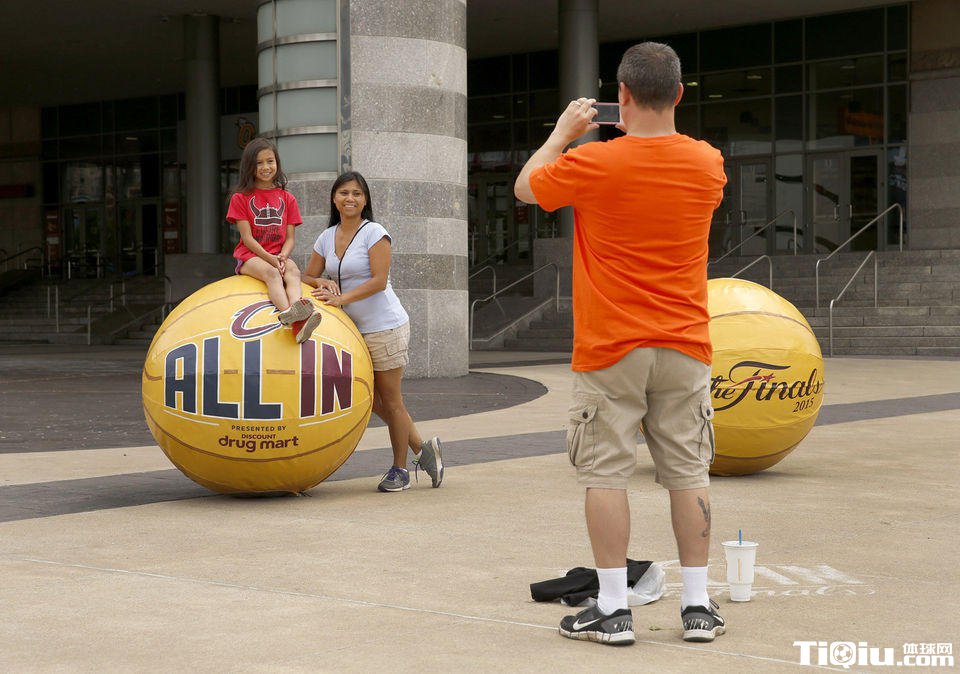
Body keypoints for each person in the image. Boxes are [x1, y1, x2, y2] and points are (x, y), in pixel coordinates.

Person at [514, 42, 728, 647]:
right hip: (685, 342)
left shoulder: (594, 162)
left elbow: (526, 189)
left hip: (611, 345)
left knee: (606, 475)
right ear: (679, 94)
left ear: (622, 95)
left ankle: (612, 609)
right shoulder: (708, 163)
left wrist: (563, 133)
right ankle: (697, 606)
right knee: (688, 474)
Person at [302, 171, 443, 493]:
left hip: (384, 327)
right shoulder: (326, 236)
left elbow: (379, 281)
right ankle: (424, 450)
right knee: (369, 398)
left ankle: (400, 470)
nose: (350, 198)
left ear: (365, 200)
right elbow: (306, 276)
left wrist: (341, 299)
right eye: (343, 193)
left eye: (356, 193)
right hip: (352, 332)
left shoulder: (375, 233)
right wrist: (320, 281)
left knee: (391, 401)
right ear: (334, 198)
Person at [226, 137, 320, 343]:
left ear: (277, 162)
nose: (266, 167)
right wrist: (271, 259)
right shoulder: (240, 198)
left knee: (294, 272)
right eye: (259, 163)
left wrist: (283, 256)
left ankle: (298, 310)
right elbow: (247, 239)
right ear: (249, 166)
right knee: (272, 274)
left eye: (270, 161)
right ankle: (289, 315)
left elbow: (290, 238)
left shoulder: (287, 198)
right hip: (250, 257)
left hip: (279, 255)